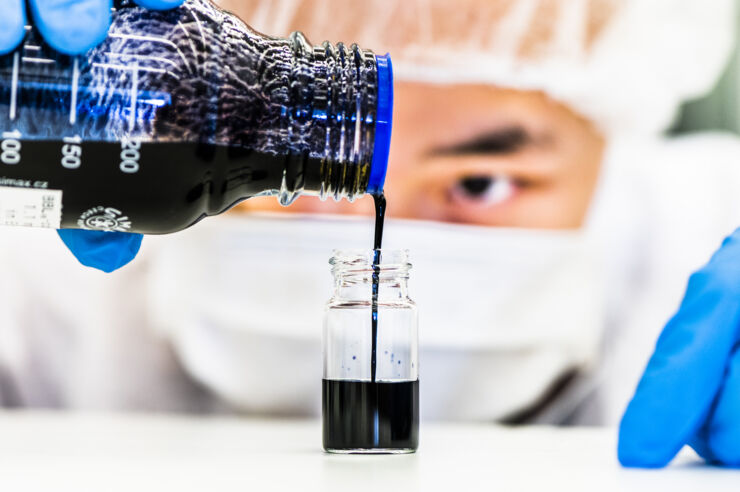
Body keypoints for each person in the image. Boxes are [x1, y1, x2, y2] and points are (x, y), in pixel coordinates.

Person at [0, 0, 739, 468]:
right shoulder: (43, 250)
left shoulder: (708, 233)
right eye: (290, 159)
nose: (356, 229)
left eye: (479, 183)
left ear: (611, 135)